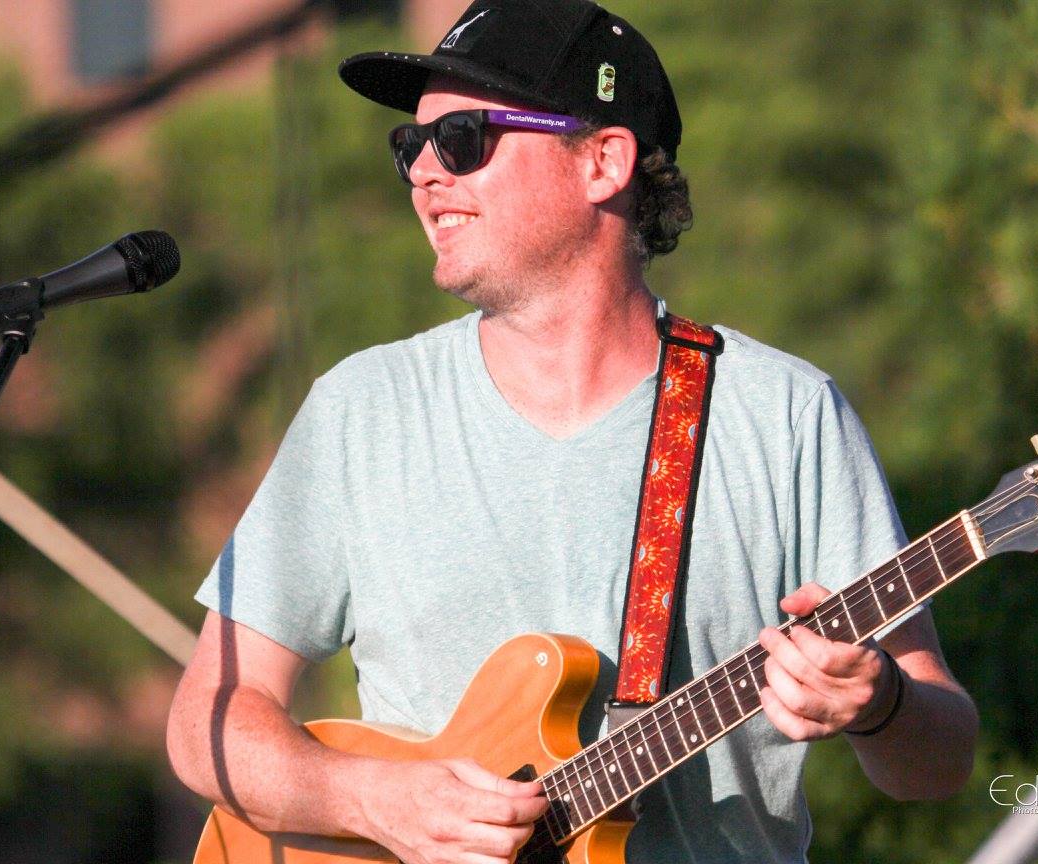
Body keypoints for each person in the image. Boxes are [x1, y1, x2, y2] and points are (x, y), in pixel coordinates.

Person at [166, 1, 979, 862]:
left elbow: (939, 760)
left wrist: (882, 703)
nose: (423, 175)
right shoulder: (362, 409)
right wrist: (373, 801)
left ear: (603, 161)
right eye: (411, 147)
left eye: (465, 140)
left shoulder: (785, 414)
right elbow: (205, 722)